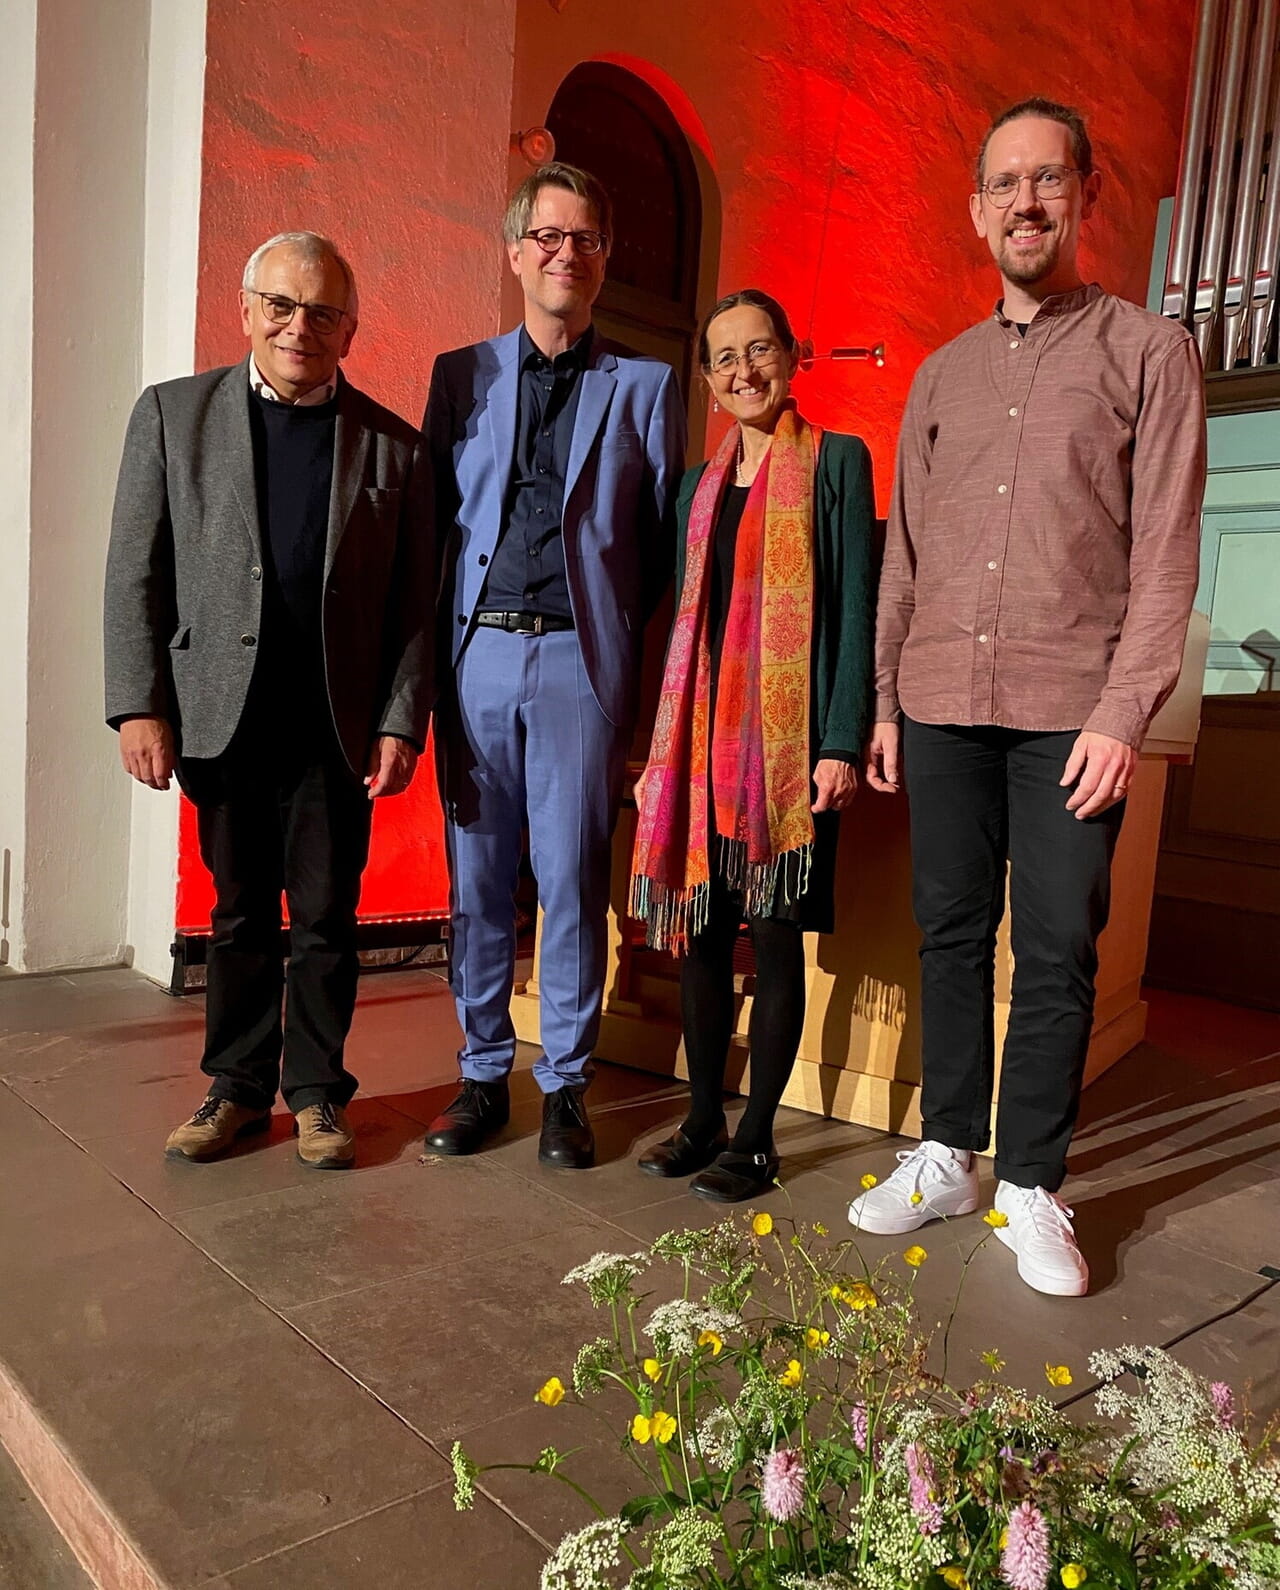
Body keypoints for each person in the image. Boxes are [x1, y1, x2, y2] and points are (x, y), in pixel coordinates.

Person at [849, 99, 1206, 1294]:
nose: (1023, 203)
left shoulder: (1147, 353)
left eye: (1044, 180)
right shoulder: (941, 374)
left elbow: (1161, 552)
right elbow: (906, 556)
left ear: (1085, 194)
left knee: (1054, 949)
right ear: (975, 209)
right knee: (949, 936)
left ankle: (1029, 1183)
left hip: (1069, 704)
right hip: (943, 694)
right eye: (1002, 184)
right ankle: (946, 1149)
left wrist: (1121, 712)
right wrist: (887, 703)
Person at [105, 230, 434, 1171]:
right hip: (222, 712)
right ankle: (238, 1091)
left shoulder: (392, 445)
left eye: (324, 311)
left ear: (351, 329)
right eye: (282, 306)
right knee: (239, 913)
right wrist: (140, 703)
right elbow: (136, 570)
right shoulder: (172, 415)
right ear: (246, 310)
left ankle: (320, 1096)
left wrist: (400, 719)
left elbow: (415, 603)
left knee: (329, 919)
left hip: (334, 724)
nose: (301, 327)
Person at [423, 163, 686, 1169]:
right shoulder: (461, 376)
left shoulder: (646, 387)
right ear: (515, 252)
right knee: (477, 881)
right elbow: (435, 530)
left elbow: (662, 550)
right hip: (477, 653)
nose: (563, 253)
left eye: (582, 238)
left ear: (603, 259)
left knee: (572, 881)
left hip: (580, 663)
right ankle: (481, 1074)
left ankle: (566, 1087)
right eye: (546, 236)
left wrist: (643, 693)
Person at [630, 289, 875, 1203]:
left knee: (774, 942)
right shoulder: (699, 487)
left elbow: (856, 609)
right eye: (725, 358)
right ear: (708, 378)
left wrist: (841, 738)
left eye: (760, 350)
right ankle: (702, 1117)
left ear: (792, 356)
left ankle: (760, 1138)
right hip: (701, 748)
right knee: (698, 936)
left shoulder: (839, 464)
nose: (745, 372)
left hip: (786, 752)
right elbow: (681, 625)